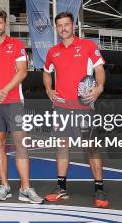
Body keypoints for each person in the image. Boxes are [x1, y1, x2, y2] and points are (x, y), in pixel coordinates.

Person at [42, 11, 109, 208]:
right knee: (62, 147)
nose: (63, 28)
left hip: (84, 106)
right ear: (56, 28)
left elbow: (99, 70)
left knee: (91, 147)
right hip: (61, 107)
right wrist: (48, 89)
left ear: (73, 26)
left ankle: (99, 190)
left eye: (67, 24)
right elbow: (47, 74)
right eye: (59, 25)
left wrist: (99, 87)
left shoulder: (88, 46)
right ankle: (61, 189)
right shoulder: (52, 52)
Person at [0, 10, 43, 204]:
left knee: (20, 143)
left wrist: (3, 90)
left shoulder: (17, 45)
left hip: (13, 101)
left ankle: (25, 188)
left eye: (0, 23)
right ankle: (4, 186)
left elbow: (22, 72)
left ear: (5, 24)